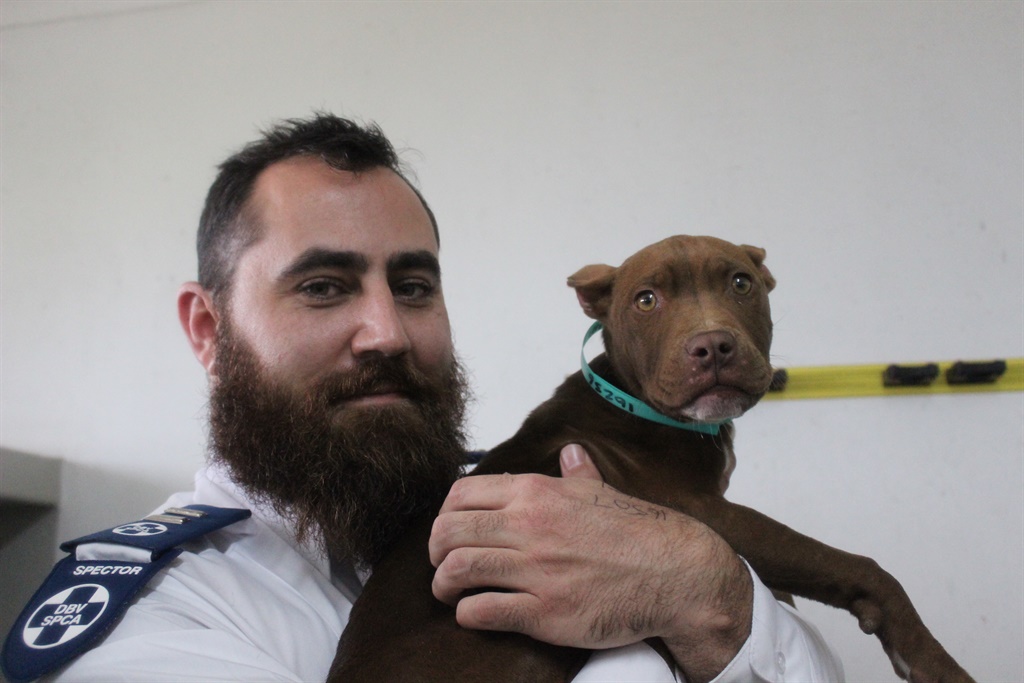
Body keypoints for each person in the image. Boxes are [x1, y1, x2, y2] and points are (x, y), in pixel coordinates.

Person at [36, 113, 842, 681]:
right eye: (323, 286)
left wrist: (713, 594)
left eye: (414, 285)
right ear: (208, 329)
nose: (386, 332)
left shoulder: (550, 495)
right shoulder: (158, 618)